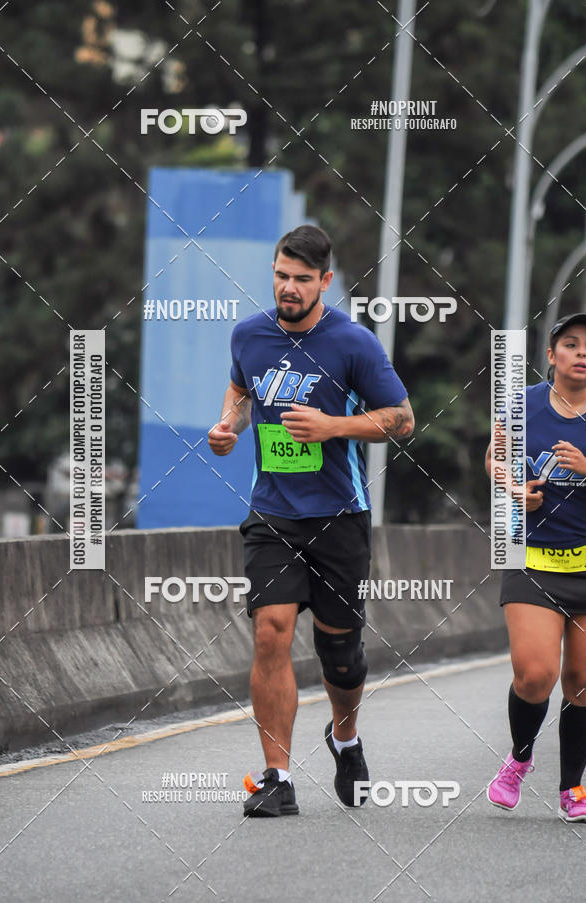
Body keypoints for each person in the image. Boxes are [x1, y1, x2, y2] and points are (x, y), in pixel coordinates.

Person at [208, 224, 414, 817]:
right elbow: (242, 390)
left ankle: (344, 738)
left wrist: (333, 427)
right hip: (273, 514)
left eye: (302, 279)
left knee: (340, 655)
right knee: (270, 628)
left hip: (340, 515)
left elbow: (402, 419)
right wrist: (229, 427)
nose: (289, 288)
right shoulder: (249, 334)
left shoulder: (352, 343)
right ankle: (277, 777)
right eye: (281, 275)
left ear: (325, 281)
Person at [486, 313, 586, 822]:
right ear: (551, 355)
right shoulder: (523, 405)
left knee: (583, 681)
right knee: (535, 674)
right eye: (571, 344)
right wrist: (513, 488)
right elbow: (496, 457)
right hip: (531, 559)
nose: (582, 354)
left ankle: (572, 789)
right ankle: (520, 758)